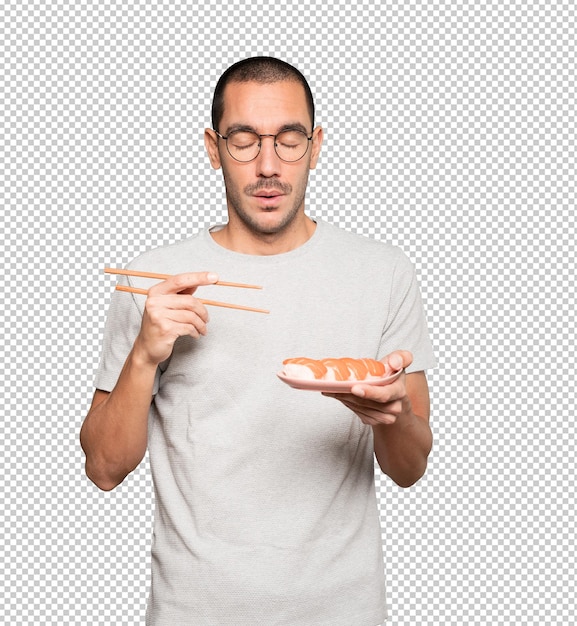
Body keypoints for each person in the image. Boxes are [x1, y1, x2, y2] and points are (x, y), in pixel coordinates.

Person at [80, 56, 436, 626]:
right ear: (212, 147)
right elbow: (103, 468)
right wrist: (145, 353)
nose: (267, 165)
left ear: (317, 146)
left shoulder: (384, 271)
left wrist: (389, 415)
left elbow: (411, 468)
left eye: (289, 140)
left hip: (342, 611)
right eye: (243, 140)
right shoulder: (155, 279)